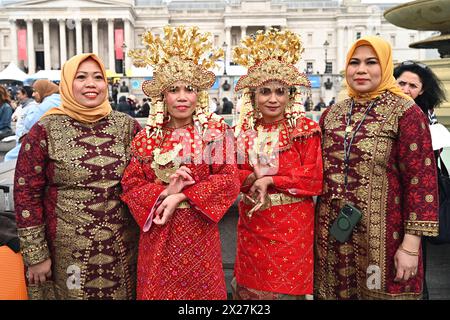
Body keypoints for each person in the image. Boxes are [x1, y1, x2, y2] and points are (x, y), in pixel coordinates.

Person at [315, 36, 439, 300]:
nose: (361, 70)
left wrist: (411, 246)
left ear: (384, 67)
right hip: (334, 238)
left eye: (371, 62)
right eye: (354, 63)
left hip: (387, 238)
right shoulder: (332, 114)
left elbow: (421, 181)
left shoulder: (405, 113)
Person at [121, 25, 240, 300]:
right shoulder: (147, 138)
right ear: (163, 97)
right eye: (174, 90)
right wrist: (165, 192)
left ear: (199, 95)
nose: (183, 96)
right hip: (159, 234)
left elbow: (229, 180)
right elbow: (131, 184)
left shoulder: (216, 133)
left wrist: (182, 196)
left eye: (190, 89)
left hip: (199, 234)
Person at [14, 53, 141, 299]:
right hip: (66, 252)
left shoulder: (128, 127)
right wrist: (36, 255)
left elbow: (145, 178)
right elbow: (26, 191)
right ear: (67, 83)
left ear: (106, 83)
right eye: (81, 77)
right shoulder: (45, 130)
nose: (91, 84)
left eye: (97, 77)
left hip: (123, 248)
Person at [232, 28, 323, 300]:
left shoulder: (305, 130)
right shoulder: (243, 133)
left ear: (290, 96)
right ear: (253, 97)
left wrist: (271, 180)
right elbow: (229, 175)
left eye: (280, 92)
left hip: (292, 229)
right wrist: (250, 180)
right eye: (265, 92)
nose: (273, 99)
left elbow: (314, 177)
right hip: (253, 225)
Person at [394, 60, 447, 300]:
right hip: (394, 193)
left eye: (412, 86)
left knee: (417, 252)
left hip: (421, 194)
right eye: (401, 83)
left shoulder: (427, 117)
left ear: (422, 90)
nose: (405, 89)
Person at [4, 86, 39, 162]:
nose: (17, 96)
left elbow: (30, 125)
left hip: (25, 141)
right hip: (20, 140)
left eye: (19, 94)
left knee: (9, 158)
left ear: (25, 94)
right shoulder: (22, 107)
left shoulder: (33, 107)